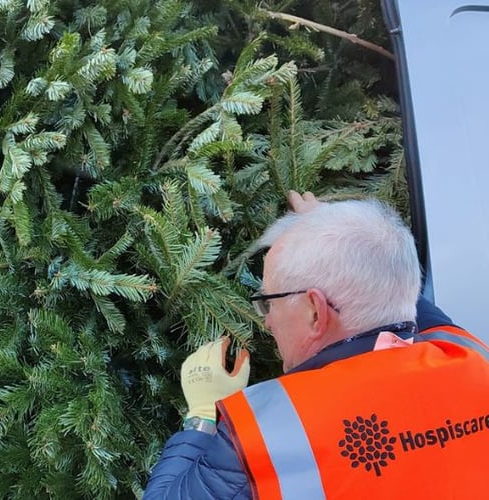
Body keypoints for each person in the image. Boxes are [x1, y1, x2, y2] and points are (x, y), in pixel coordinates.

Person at [143, 191, 489, 499]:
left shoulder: (265, 436)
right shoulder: (470, 358)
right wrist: (339, 234)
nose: (267, 321)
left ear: (314, 312)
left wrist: (203, 415)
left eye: (269, 301)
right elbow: (397, 291)